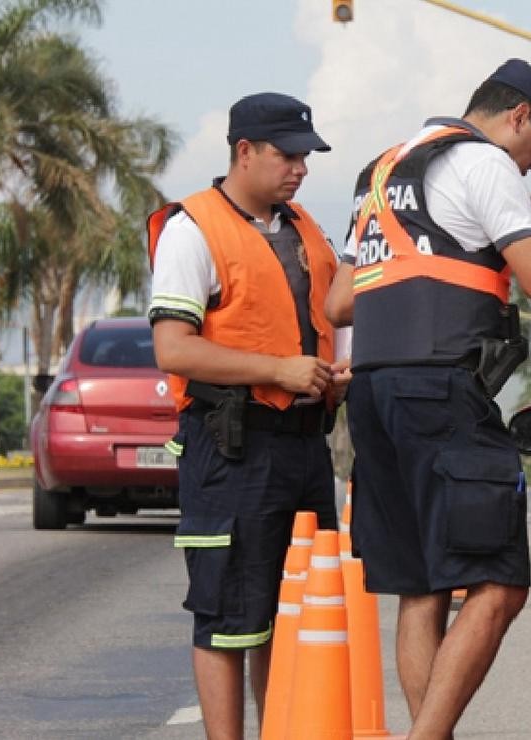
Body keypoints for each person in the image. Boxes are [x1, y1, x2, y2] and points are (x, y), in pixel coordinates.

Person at [325, 58, 531, 738]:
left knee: (421, 587)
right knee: (499, 582)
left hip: (374, 395)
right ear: (519, 116)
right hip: (440, 390)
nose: (530, 167)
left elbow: (340, 301)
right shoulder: (482, 162)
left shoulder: (379, 170)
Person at [146, 91, 349, 740]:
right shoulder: (193, 228)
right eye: (287, 155)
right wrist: (279, 371)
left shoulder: (306, 229)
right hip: (232, 447)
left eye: (306, 156)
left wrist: (328, 378)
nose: (300, 168)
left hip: (305, 447)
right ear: (243, 151)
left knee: (295, 616)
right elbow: (173, 348)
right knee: (230, 618)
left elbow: (327, 314)